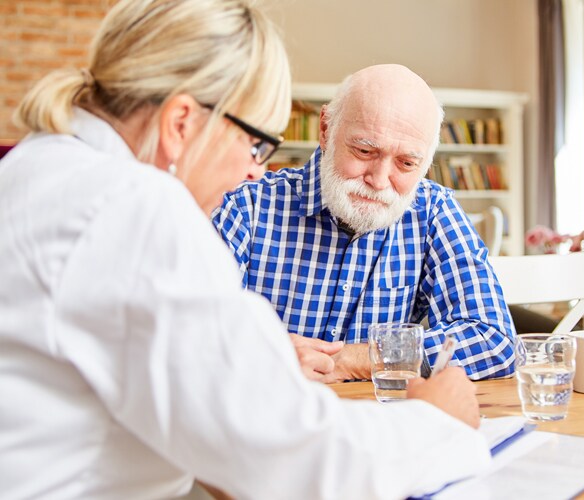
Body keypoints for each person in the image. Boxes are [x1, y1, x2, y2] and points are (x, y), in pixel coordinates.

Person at [0, 2, 491, 498]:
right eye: (256, 145)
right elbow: (287, 458)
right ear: (181, 124)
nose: (257, 170)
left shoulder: (37, 167)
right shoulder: (134, 207)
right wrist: (436, 423)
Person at [212, 64, 516, 384]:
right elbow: (188, 334)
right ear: (326, 130)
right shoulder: (246, 206)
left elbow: (493, 339)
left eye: (406, 163)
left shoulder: (433, 210)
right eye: (365, 150)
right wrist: (267, 355)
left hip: (377, 424)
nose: (380, 180)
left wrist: (364, 358)